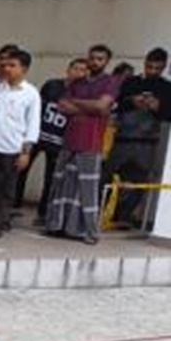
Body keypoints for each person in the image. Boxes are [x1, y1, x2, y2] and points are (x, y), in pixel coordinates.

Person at [46, 44, 119, 245]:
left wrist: (77, 104)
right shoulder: (77, 83)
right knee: (61, 185)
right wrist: (91, 106)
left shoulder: (110, 82)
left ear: (106, 62)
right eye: (92, 57)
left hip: (91, 143)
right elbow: (62, 106)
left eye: (100, 59)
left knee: (87, 189)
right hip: (69, 140)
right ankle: (58, 226)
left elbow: (102, 106)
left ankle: (89, 232)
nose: (95, 61)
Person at [0, 48, 41, 238]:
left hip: (11, 148)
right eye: (5, 65)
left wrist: (26, 152)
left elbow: (32, 125)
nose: (7, 68)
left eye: (12, 65)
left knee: (6, 189)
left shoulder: (31, 94)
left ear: (24, 69)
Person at [106, 47, 171, 228]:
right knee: (108, 176)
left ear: (164, 67)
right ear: (144, 63)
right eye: (149, 67)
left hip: (148, 142)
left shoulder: (167, 88)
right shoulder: (130, 82)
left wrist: (158, 106)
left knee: (140, 181)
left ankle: (123, 217)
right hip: (123, 138)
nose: (152, 71)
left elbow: (168, 115)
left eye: (157, 68)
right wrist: (132, 101)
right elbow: (115, 104)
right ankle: (103, 212)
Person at [30, 58, 88, 225]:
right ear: (68, 70)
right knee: (20, 170)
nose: (78, 73)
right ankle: (13, 206)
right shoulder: (52, 85)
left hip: (59, 141)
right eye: (75, 68)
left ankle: (43, 212)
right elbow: (37, 107)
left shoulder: (83, 93)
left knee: (51, 178)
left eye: (83, 70)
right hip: (39, 134)